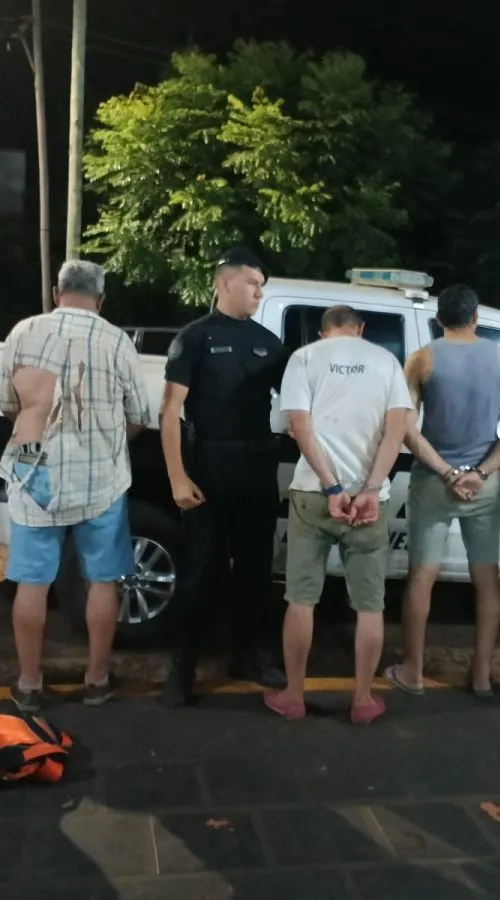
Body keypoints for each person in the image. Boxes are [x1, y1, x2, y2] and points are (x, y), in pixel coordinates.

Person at [0, 260, 152, 713]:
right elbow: (139, 416)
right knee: (102, 580)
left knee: (32, 582)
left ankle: (29, 684)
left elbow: (6, 403)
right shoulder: (117, 340)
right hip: (101, 477)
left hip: (34, 469)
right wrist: (107, 444)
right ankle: (96, 680)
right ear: (101, 299)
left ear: (55, 293)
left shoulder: (23, 332)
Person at [264, 305, 413, 724]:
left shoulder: (304, 358)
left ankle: (293, 696)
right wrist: (369, 490)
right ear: (360, 329)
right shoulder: (386, 361)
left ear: (323, 331)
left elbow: (299, 426)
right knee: (369, 605)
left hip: (314, 494)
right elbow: (397, 431)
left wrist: (332, 487)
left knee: (301, 599)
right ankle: (362, 700)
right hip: (370, 502)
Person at [384, 284, 500, 699]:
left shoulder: (422, 359)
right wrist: (480, 472)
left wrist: (448, 473)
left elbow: (406, 428)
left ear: (438, 319)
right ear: (476, 317)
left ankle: (413, 672)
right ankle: (481, 676)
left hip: (434, 482)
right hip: (484, 485)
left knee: (422, 577)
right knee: (486, 579)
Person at [158, 247, 291, 707]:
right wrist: (177, 477)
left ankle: (249, 657)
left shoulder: (269, 343)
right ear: (224, 283)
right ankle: (182, 667)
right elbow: (170, 411)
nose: (259, 293)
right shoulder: (194, 338)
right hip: (208, 471)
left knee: (255, 572)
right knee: (198, 572)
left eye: (262, 286)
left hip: (256, 471)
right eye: (252, 283)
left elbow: (298, 403)